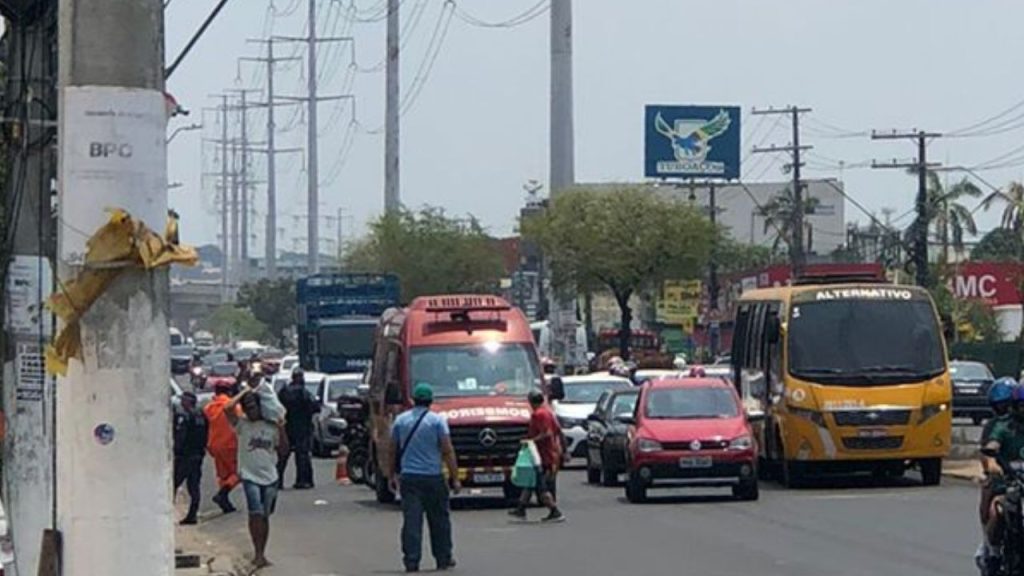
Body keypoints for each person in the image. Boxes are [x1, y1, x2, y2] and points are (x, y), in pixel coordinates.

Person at [387, 383, 459, 573]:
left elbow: (392, 450)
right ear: (430, 401)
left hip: (409, 478)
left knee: (412, 521)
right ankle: (443, 557)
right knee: (440, 520)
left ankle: (412, 560)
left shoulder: (401, 421)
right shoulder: (437, 421)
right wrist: (455, 477)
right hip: (434, 477)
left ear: (413, 401)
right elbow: (447, 450)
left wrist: (390, 475)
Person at [225, 386, 288, 569]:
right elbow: (228, 408)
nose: (251, 411)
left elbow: (283, 450)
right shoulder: (242, 425)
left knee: (265, 517)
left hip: (270, 476)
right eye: (248, 407)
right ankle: (257, 553)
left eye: (254, 406)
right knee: (255, 513)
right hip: (249, 475)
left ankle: (262, 552)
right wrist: (245, 391)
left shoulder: (271, 426)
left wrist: (282, 428)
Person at [981, 384, 1024, 574]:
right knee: (997, 510)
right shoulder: (1004, 426)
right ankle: (993, 552)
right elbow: (992, 445)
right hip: (1010, 483)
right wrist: (992, 463)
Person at [508, 389, 566, 523]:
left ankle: (554, 511)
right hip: (546, 455)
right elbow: (558, 431)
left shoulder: (539, 414)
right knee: (530, 482)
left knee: (541, 486)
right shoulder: (549, 413)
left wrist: (530, 441)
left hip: (542, 456)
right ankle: (521, 509)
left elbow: (547, 433)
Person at [277, 367, 318, 489]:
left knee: (283, 456)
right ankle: (304, 480)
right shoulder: (303, 392)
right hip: (302, 428)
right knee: (303, 455)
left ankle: (277, 481)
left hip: (287, 426)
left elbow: (278, 408)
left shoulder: (284, 391)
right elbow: (314, 407)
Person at [204, 380, 240, 513]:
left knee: (223, 475)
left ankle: (225, 501)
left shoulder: (209, 408)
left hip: (214, 446)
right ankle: (223, 494)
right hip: (231, 445)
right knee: (238, 473)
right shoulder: (234, 407)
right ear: (229, 392)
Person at [174, 392, 208, 525]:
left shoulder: (186, 417)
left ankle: (168, 511)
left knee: (173, 484)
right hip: (197, 455)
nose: (182, 402)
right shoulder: (202, 415)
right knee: (194, 486)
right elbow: (206, 434)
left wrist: (177, 451)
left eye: (184, 400)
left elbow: (181, 437)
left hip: (185, 455)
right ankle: (192, 514)